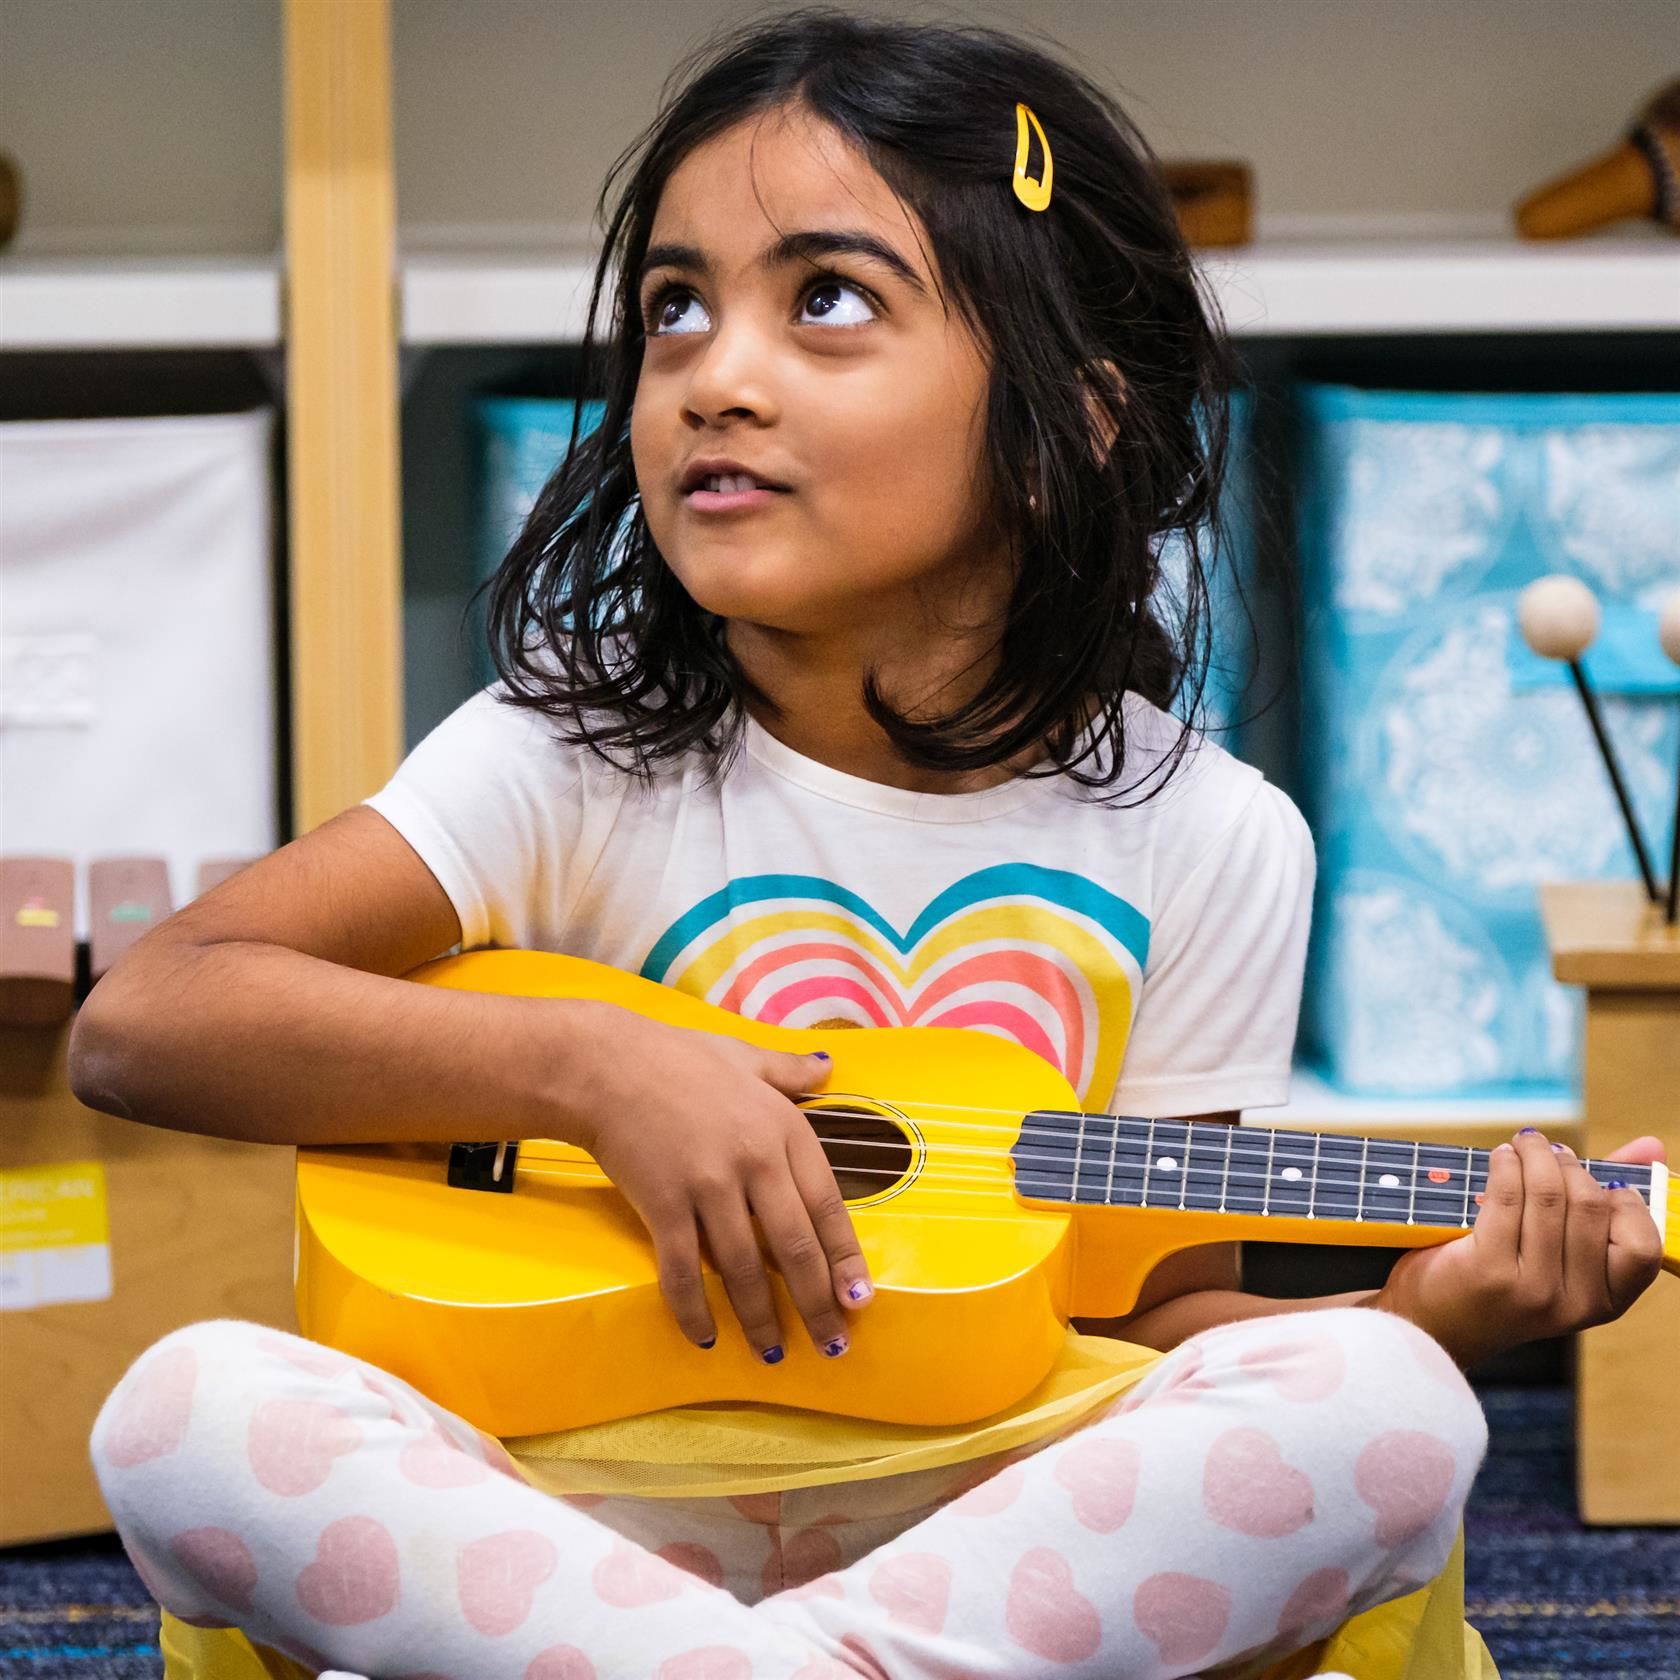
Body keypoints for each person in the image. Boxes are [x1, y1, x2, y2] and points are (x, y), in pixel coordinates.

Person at [70, 11, 1666, 1679]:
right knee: (191, 1411)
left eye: (825, 299)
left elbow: (1156, 1320)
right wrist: (588, 1069)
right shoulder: (562, 756)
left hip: (984, 1528)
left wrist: (1437, 1315)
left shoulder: (1209, 834)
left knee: (1387, 1411)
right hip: (580, 1514)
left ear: (1077, 415)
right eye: (676, 307)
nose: (714, 376)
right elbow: (146, 1020)